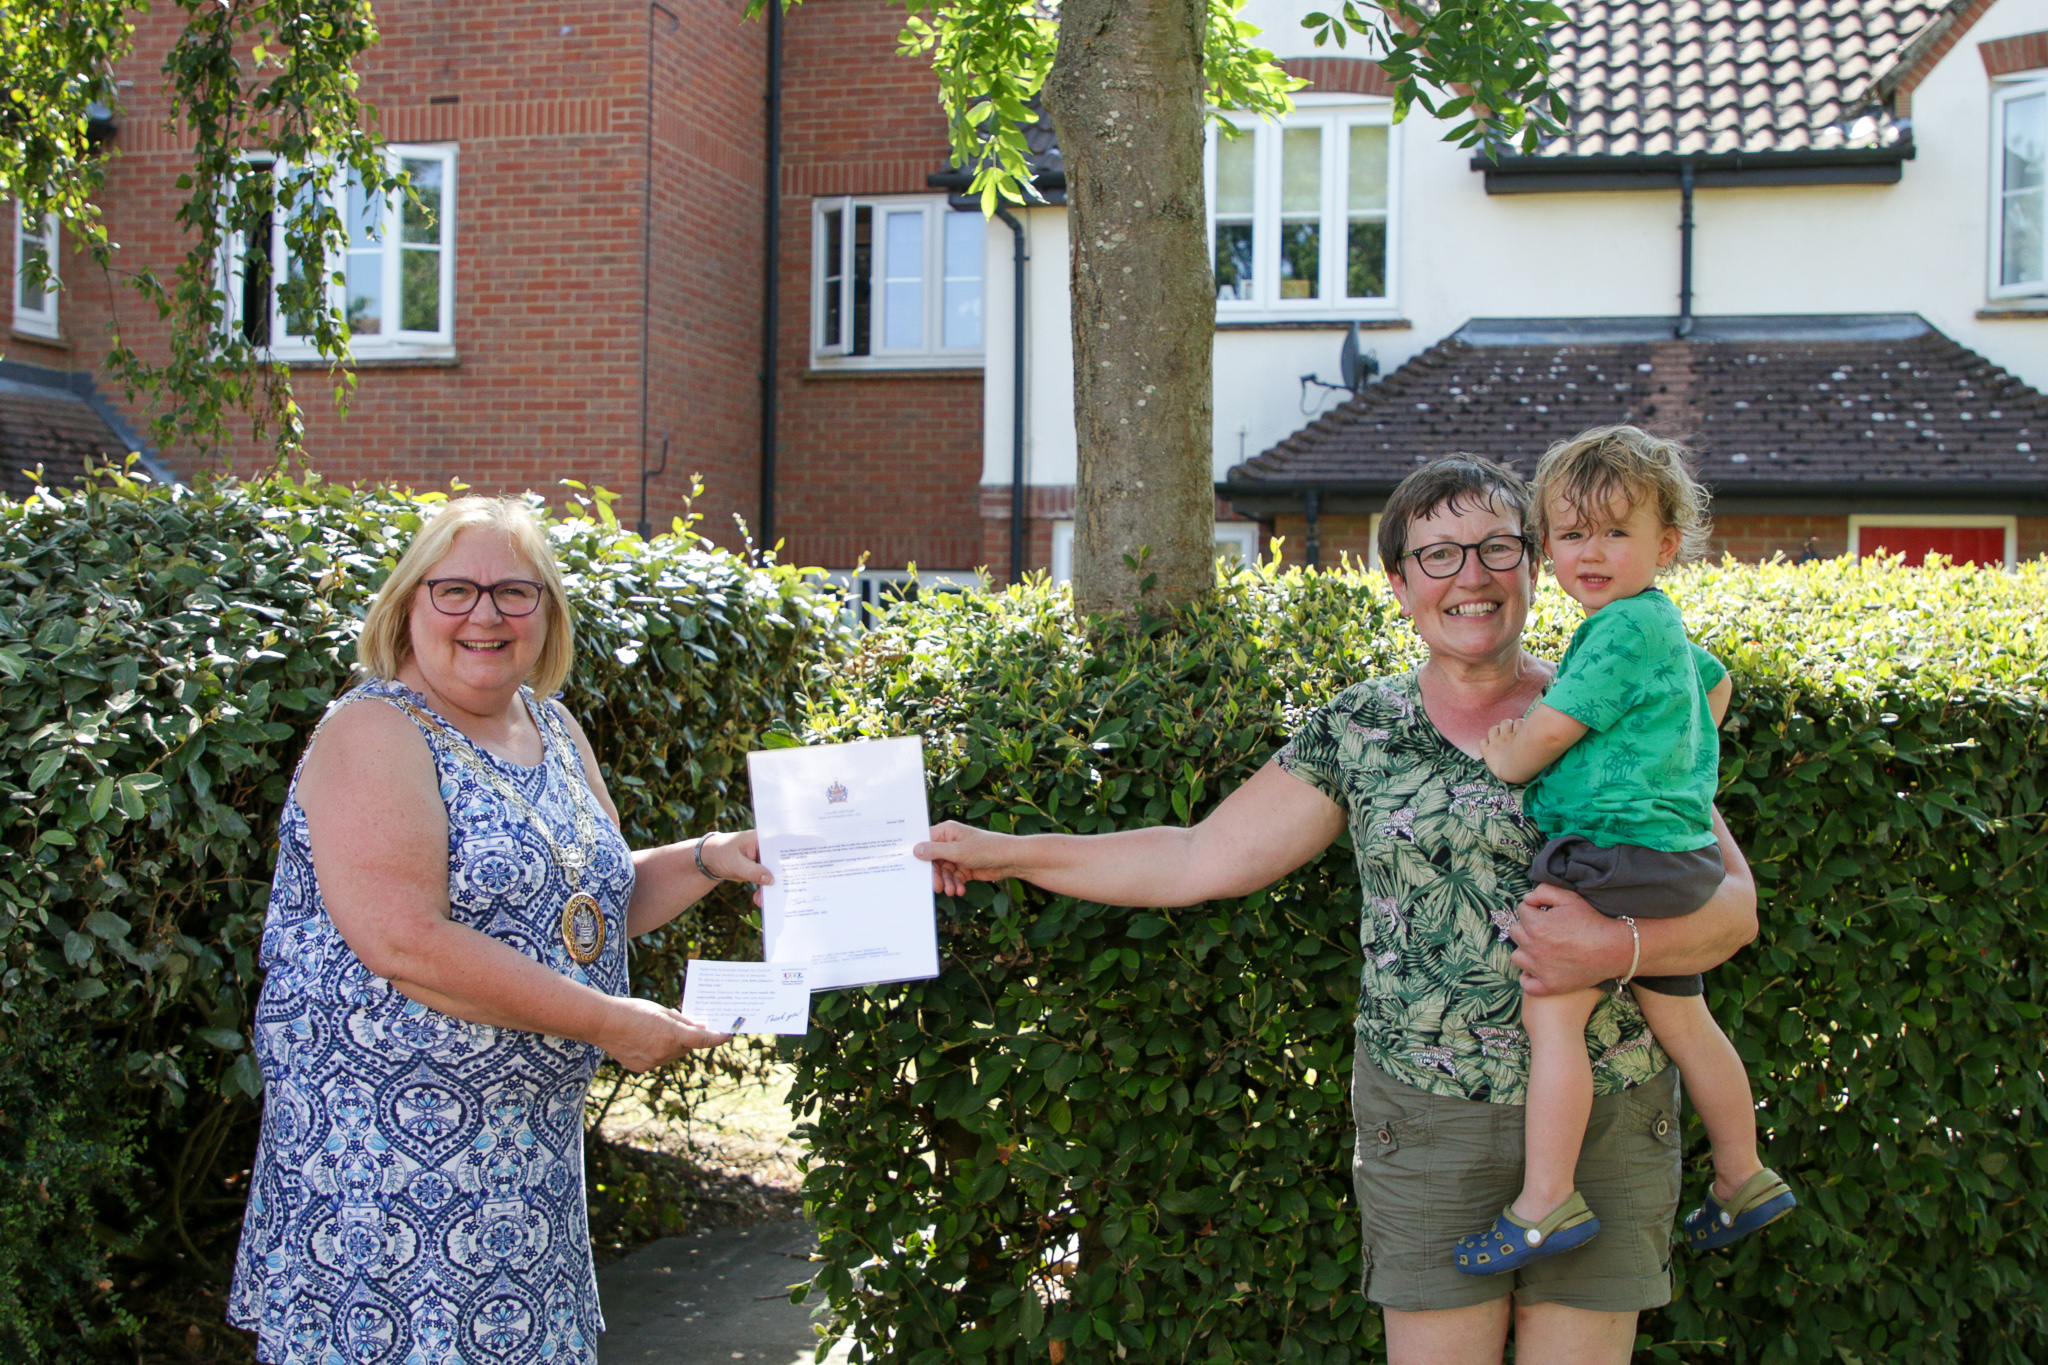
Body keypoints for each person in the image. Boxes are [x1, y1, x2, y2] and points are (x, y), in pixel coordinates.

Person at [915, 454, 1759, 1365]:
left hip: (1610, 1112)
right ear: (1398, 583)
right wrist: (1007, 851)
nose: (1471, 576)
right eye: (1437, 555)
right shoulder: (1360, 728)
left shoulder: (1621, 706)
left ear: (1531, 561)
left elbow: (1733, 909)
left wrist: (1611, 948)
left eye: (1495, 547)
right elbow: (1197, 856)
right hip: (1427, 1122)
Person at [227, 497, 768, 1365]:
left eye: (515, 592)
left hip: (524, 1180)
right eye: (455, 590)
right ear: (408, 603)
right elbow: (406, 941)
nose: (486, 615)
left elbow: (588, 908)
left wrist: (710, 857)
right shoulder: (375, 730)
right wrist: (608, 1021)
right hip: (386, 1198)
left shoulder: (551, 724)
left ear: (546, 612)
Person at [1454, 427, 1794, 1277]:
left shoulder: (1617, 632)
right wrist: (1668, 766)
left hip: (1610, 853)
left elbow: (1543, 739)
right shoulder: (1659, 626)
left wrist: (1506, 750)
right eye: (1572, 534)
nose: (1592, 552)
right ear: (1548, 547)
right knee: (1685, 1018)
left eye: (1615, 532)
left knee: (1552, 1013)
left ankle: (1545, 1201)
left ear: (1665, 544)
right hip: (1671, 854)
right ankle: (1743, 1174)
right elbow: (1715, 684)